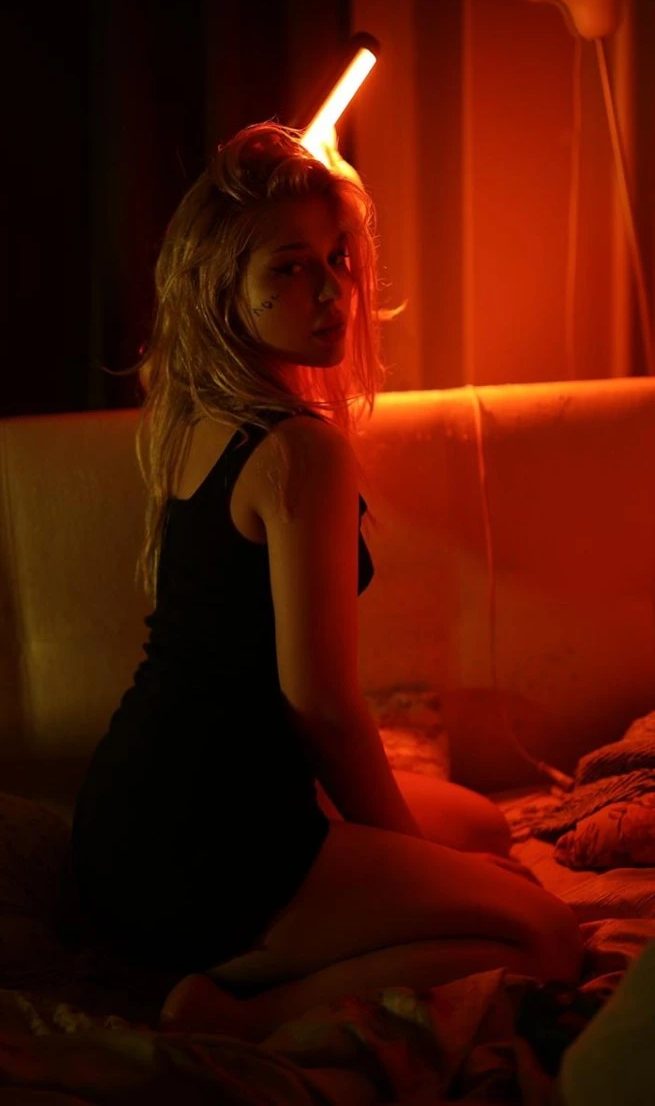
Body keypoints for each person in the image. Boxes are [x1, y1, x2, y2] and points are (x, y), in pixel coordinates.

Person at [70, 121, 584, 1043]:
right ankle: (245, 1010)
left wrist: (422, 861)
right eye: (291, 267)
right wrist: (403, 857)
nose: (332, 291)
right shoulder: (297, 449)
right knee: (547, 936)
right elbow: (323, 708)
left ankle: (290, 943)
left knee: (483, 828)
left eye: (338, 258)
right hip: (205, 838)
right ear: (221, 289)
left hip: (130, 820)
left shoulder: (195, 414)